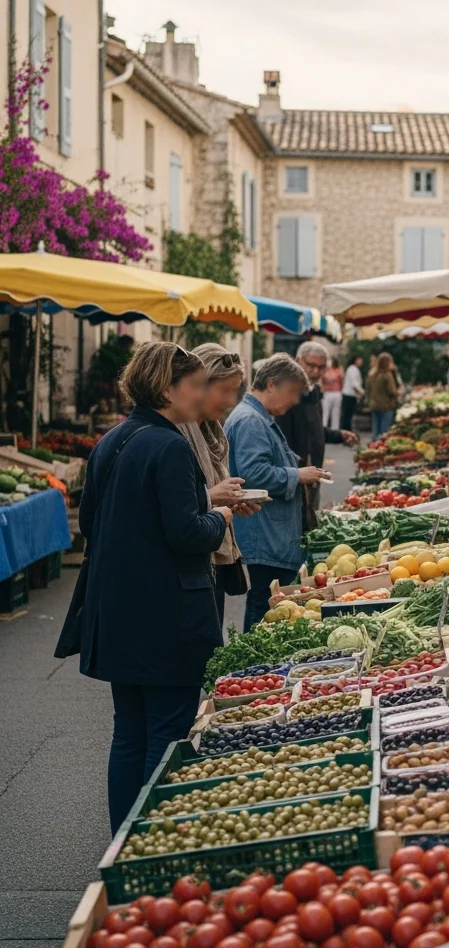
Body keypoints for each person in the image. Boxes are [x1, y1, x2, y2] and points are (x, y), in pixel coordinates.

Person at [57, 342, 233, 834]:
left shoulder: (112, 441)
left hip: (115, 611)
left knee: (130, 732)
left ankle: (124, 838)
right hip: (167, 615)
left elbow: (92, 521)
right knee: (167, 730)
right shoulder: (171, 445)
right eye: (195, 386)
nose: (201, 396)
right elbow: (186, 533)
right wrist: (218, 516)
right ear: (166, 388)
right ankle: (153, 838)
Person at [225, 353, 330, 632]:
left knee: (268, 603)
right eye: (292, 392)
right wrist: (298, 474)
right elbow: (253, 473)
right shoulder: (250, 420)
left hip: (271, 534)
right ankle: (249, 666)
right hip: (264, 535)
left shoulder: (259, 417)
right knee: (264, 606)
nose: (295, 401)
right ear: (271, 384)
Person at [178, 344, 259, 626]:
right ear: (199, 385)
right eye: (225, 390)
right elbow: (175, 504)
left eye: (235, 390)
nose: (231, 400)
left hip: (215, 555)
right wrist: (212, 496)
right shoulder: (174, 437)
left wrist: (231, 501)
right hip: (190, 565)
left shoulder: (214, 433)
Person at [276, 342, 357, 520]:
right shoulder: (288, 395)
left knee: (311, 518)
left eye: (321, 367)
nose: (315, 371)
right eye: (310, 365)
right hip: (295, 476)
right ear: (297, 361)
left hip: (313, 474)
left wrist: (339, 435)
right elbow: (280, 438)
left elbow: (315, 429)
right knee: (298, 522)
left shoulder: (313, 392)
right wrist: (294, 473)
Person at [366, 351, 401, 439]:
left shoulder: (372, 374)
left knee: (375, 430)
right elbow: (392, 391)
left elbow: (368, 390)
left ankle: (372, 448)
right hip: (386, 406)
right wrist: (399, 392)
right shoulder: (387, 375)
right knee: (384, 432)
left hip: (374, 405)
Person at [341, 353, 364, 431]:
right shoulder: (352, 369)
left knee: (348, 415)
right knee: (347, 415)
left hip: (351, 395)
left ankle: (347, 430)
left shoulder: (354, 369)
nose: (361, 361)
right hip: (349, 395)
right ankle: (346, 430)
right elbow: (355, 384)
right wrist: (362, 392)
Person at [321, 356, 344, 430]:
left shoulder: (335, 370)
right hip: (332, 392)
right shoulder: (336, 370)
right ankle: (329, 428)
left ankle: (331, 429)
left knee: (331, 412)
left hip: (332, 392)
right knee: (330, 412)